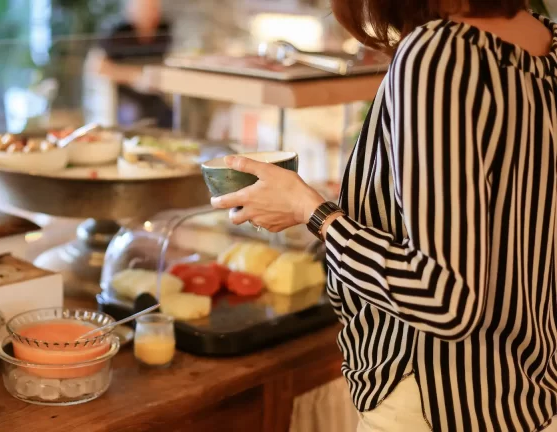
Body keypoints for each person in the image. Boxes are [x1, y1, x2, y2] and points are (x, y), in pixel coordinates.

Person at [211, 1, 557, 431]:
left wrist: (314, 213)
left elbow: (444, 297)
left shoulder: (437, 54)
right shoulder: (544, 42)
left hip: (433, 400)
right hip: (525, 395)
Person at [95, 0, 173, 128]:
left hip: (154, 95)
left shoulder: (164, 30)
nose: (150, 13)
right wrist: (136, 77)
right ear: (131, 10)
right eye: (145, 8)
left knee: (172, 118)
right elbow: (98, 67)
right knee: (138, 118)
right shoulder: (118, 32)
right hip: (125, 97)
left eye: (153, 8)